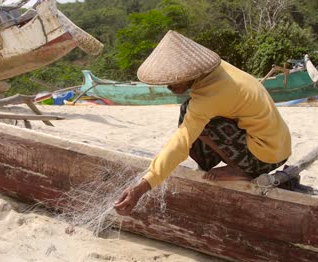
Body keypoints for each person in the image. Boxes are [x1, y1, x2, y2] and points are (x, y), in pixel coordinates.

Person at [114, 31, 291, 216]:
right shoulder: (218, 71)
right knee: (188, 109)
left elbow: (180, 142)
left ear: (190, 73)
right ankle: (229, 163)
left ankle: (242, 170)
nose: (169, 86)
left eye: (173, 80)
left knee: (191, 116)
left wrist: (142, 187)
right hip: (280, 148)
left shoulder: (209, 96)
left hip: (263, 159)